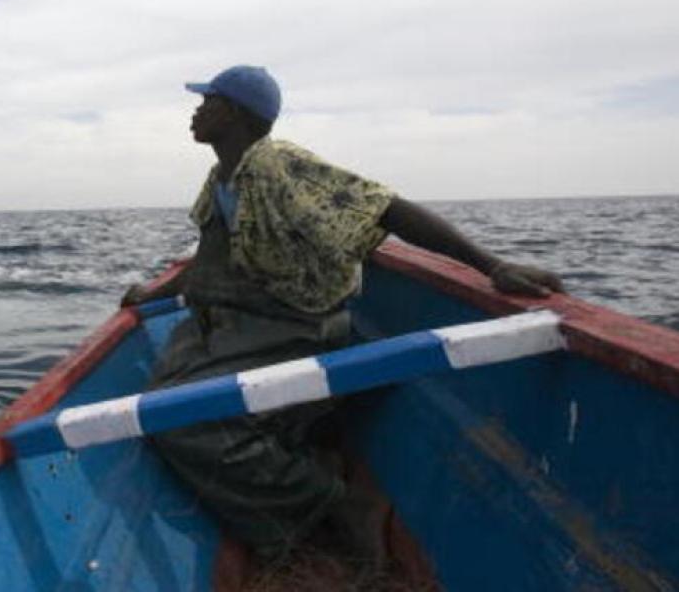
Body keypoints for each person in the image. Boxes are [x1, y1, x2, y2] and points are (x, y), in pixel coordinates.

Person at [122, 65, 562, 565]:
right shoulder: (221, 176)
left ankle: (333, 502)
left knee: (178, 421)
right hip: (244, 319)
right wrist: (154, 289)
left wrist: (494, 265)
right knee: (163, 389)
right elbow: (210, 254)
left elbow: (386, 210)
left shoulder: (276, 162)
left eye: (209, 100)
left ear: (237, 113)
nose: (197, 110)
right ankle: (288, 438)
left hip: (298, 324)